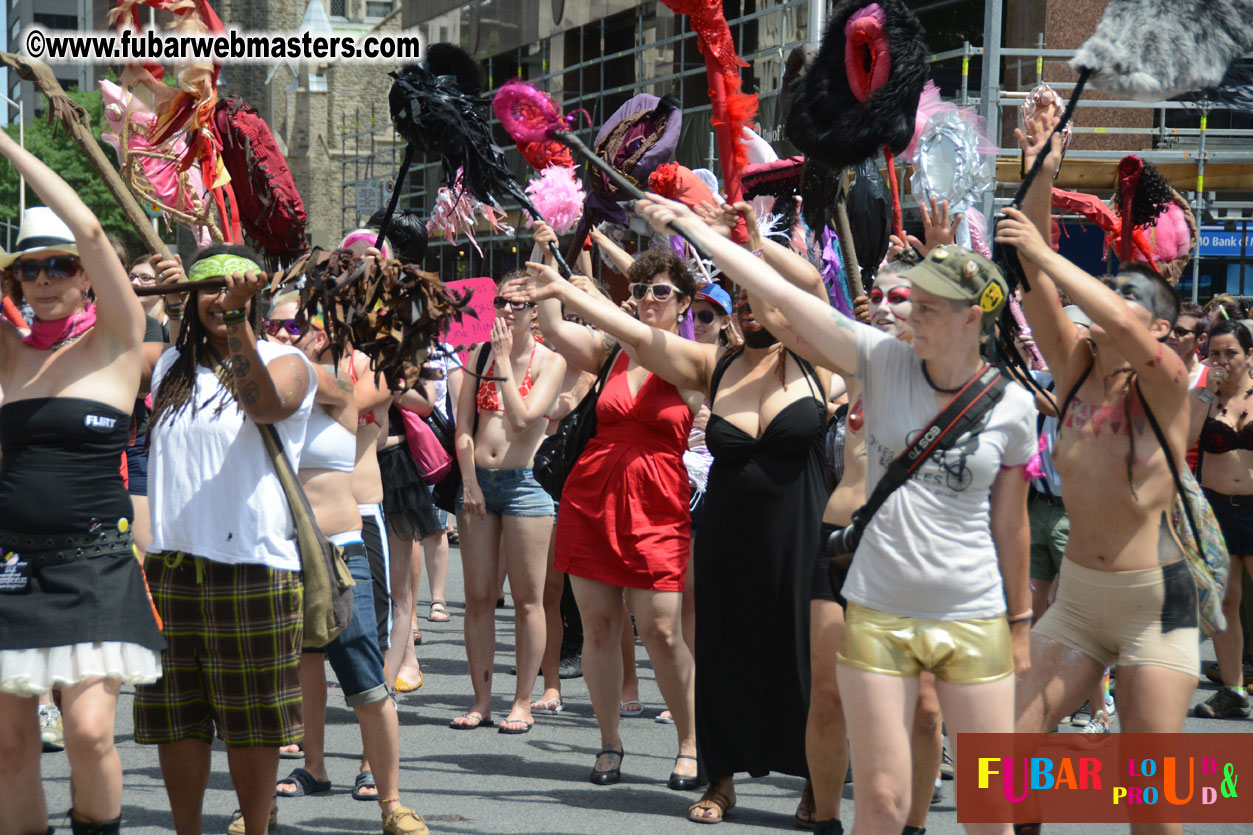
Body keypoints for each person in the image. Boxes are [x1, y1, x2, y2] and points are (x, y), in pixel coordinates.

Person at [636, 194, 1034, 835]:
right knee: (876, 801)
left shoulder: (1011, 405)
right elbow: (784, 296)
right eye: (910, 298)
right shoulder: (878, 359)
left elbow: (1010, 524)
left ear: (972, 319)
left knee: (991, 811)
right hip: (878, 608)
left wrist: (1019, 623)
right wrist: (692, 229)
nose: (908, 310)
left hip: (973, 615)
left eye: (927, 304)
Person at [998, 114, 1200, 835]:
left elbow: (1090, 298)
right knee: (1009, 759)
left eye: (1132, 307)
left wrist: (1049, 259)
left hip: (1158, 601)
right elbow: (1027, 275)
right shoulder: (1076, 364)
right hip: (1080, 598)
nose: (1112, 314)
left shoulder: (1169, 383)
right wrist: (1042, 169)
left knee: (1153, 799)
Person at [0, 135, 164, 835]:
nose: (44, 278)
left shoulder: (120, 341)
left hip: (95, 562)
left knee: (90, 732)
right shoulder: (6, 354)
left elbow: (94, 228)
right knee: (9, 746)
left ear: (88, 276)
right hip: (11, 568)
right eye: (28, 269)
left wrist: (6, 145)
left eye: (60, 264)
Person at [134, 244, 316, 835]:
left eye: (230, 290)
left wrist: (235, 324)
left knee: (250, 724)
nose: (218, 299)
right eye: (206, 289)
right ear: (189, 297)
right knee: (176, 720)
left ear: (253, 298)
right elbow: (101, 329)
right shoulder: (165, 366)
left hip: (252, 567)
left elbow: (262, 404)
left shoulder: (286, 360)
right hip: (169, 568)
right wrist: (157, 292)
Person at [512, 240, 702, 788]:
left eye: (660, 291)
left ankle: (690, 740)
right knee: (597, 627)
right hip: (592, 496)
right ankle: (609, 743)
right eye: (639, 290)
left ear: (684, 302)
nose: (646, 299)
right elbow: (551, 321)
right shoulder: (612, 350)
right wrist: (549, 250)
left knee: (662, 629)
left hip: (657, 501)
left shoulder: (694, 358)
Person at [266, 294, 427, 834]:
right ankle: (303, 771)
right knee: (292, 664)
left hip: (347, 532)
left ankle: (384, 791)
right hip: (281, 542)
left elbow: (358, 390)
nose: (291, 332)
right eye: (277, 324)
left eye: (301, 321)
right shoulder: (266, 374)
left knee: (363, 661)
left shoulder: (349, 376)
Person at [451, 270, 566, 733]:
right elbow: (462, 427)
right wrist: (468, 481)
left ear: (535, 310)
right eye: (500, 301)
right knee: (478, 597)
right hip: (480, 481)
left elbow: (521, 423)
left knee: (527, 600)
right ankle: (481, 699)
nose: (505, 310)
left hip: (526, 484)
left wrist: (502, 362)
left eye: (517, 303)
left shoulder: (549, 361)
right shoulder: (476, 354)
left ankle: (522, 700)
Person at [1187, 318, 1253, 719]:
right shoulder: (1203, 395)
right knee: (1226, 601)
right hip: (1215, 509)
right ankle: (1232, 690)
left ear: (1249, 356)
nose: (1223, 360)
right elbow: (1185, 441)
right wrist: (1203, 395)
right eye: (1215, 353)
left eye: (1231, 352)